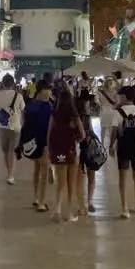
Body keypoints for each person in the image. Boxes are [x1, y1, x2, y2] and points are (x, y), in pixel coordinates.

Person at [107, 85, 135, 218]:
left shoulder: (118, 112)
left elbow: (114, 131)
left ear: (123, 97)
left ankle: (125, 209)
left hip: (123, 147)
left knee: (123, 178)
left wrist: (111, 146)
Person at [48, 90, 85, 223]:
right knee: (71, 184)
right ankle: (69, 213)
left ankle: (57, 210)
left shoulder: (54, 114)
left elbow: (49, 135)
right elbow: (83, 135)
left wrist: (50, 152)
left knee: (60, 183)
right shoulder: (74, 116)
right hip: (71, 151)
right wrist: (76, 140)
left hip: (58, 152)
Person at [21, 81, 54, 212]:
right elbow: (50, 127)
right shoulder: (47, 106)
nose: (50, 93)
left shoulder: (29, 105)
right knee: (43, 172)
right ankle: (41, 201)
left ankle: (36, 197)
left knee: (37, 169)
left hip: (31, 142)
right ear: (42, 91)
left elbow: (24, 122)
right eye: (48, 90)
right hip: (43, 141)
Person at [0, 74, 24, 184]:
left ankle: (9, 173)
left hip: (2, 126)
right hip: (16, 126)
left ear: (2, 83)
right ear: (13, 83)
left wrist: (1, 111)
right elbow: (22, 110)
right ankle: (10, 175)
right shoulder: (18, 96)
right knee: (11, 150)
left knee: (6, 151)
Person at [76, 92, 99, 216]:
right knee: (91, 176)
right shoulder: (85, 117)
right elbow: (90, 132)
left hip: (78, 149)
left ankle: (81, 205)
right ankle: (89, 202)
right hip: (88, 148)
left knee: (79, 179)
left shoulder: (73, 117)